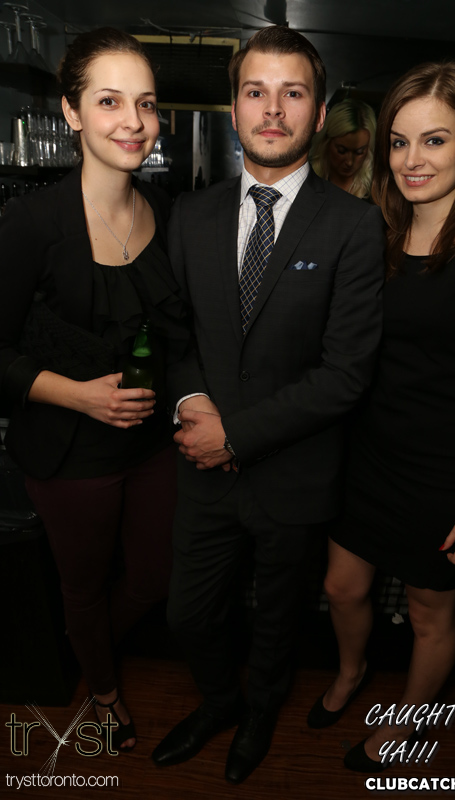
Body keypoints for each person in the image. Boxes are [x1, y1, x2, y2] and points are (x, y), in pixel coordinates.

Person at [151, 25, 384, 784]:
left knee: (278, 623)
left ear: (317, 111)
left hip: (294, 473)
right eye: (256, 91)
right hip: (203, 469)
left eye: (293, 93)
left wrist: (236, 435)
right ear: (234, 108)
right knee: (188, 614)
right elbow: (175, 336)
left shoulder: (354, 225)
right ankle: (219, 701)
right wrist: (193, 403)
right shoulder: (190, 215)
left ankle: (258, 715)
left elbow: (345, 373)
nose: (273, 109)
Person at [307, 60, 455, 772]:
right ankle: (350, 673)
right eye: (399, 142)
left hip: (446, 468)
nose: (412, 160)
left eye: (434, 140)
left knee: (431, 614)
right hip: (367, 452)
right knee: (341, 587)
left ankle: (406, 721)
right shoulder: (373, 228)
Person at [0, 28, 187, 751]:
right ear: (72, 112)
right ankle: (103, 691)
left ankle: (81, 646)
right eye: (109, 102)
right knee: (81, 584)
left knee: (154, 575)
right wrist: (80, 395)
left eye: (146, 103)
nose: (133, 122)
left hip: (150, 444)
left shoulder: (167, 211)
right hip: (68, 450)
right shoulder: (30, 223)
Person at [310, 99, 376, 198]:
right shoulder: (306, 183)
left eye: (359, 152)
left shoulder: (377, 194)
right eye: (341, 151)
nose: (349, 162)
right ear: (326, 143)